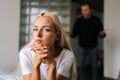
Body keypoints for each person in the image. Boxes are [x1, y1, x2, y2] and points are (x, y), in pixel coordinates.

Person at [19, 12, 76, 80]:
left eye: (46, 29)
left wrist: (52, 65)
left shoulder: (67, 55)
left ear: (57, 36)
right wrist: (35, 65)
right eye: (35, 29)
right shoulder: (25, 54)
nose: (38, 34)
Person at [65, 2, 106, 80]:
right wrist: (70, 33)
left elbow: (101, 35)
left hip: (93, 47)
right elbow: (74, 34)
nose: (83, 12)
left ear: (90, 10)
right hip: (82, 47)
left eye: (86, 10)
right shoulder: (78, 21)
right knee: (80, 67)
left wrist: (102, 34)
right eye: (82, 10)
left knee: (94, 67)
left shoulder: (96, 20)